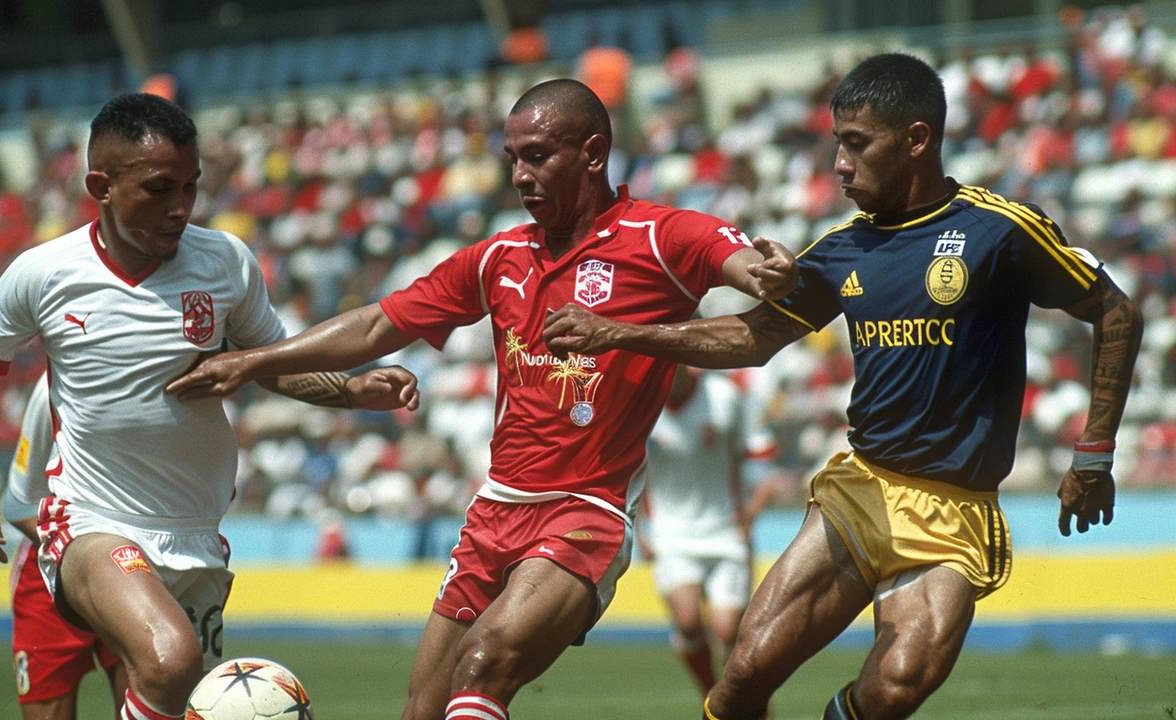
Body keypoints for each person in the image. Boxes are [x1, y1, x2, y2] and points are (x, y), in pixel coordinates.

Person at [164, 78, 799, 720]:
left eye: (539, 156)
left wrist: (762, 272)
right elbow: (380, 325)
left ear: (594, 154)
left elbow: (745, 273)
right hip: (494, 512)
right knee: (424, 707)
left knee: (484, 661)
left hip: (586, 511)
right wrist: (255, 359)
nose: (521, 175)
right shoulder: (499, 257)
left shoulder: (659, 238)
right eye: (512, 159)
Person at [542, 53, 1143, 720]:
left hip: (954, 511)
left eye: (857, 144)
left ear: (916, 139)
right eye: (837, 145)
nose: (840, 166)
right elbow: (753, 336)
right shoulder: (841, 251)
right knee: (744, 671)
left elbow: (1116, 311)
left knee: (896, 688)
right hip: (861, 493)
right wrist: (622, 332)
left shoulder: (999, 230)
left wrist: (1094, 453)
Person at [0, 92, 420, 720]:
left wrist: (350, 390)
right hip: (91, 518)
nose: (180, 208)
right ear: (100, 186)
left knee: (178, 694)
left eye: (190, 187)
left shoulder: (224, 263)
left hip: (196, 535)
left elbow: (268, 361)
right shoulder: (46, 272)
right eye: (160, 188)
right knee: (169, 658)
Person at [641, 364, 775, 697]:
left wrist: (752, 511)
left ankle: (745, 703)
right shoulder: (641, 402)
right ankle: (712, 698)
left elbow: (760, 454)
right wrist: (640, 527)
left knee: (728, 631)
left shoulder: (724, 395)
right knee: (687, 622)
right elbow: (630, 468)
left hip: (725, 530)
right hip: (670, 533)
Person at [4, 376, 129, 719]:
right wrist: (80, 555)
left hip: (138, 561)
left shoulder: (168, 371)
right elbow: (18, 503)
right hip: (49, 569)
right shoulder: (54, 382)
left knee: (150, 703)